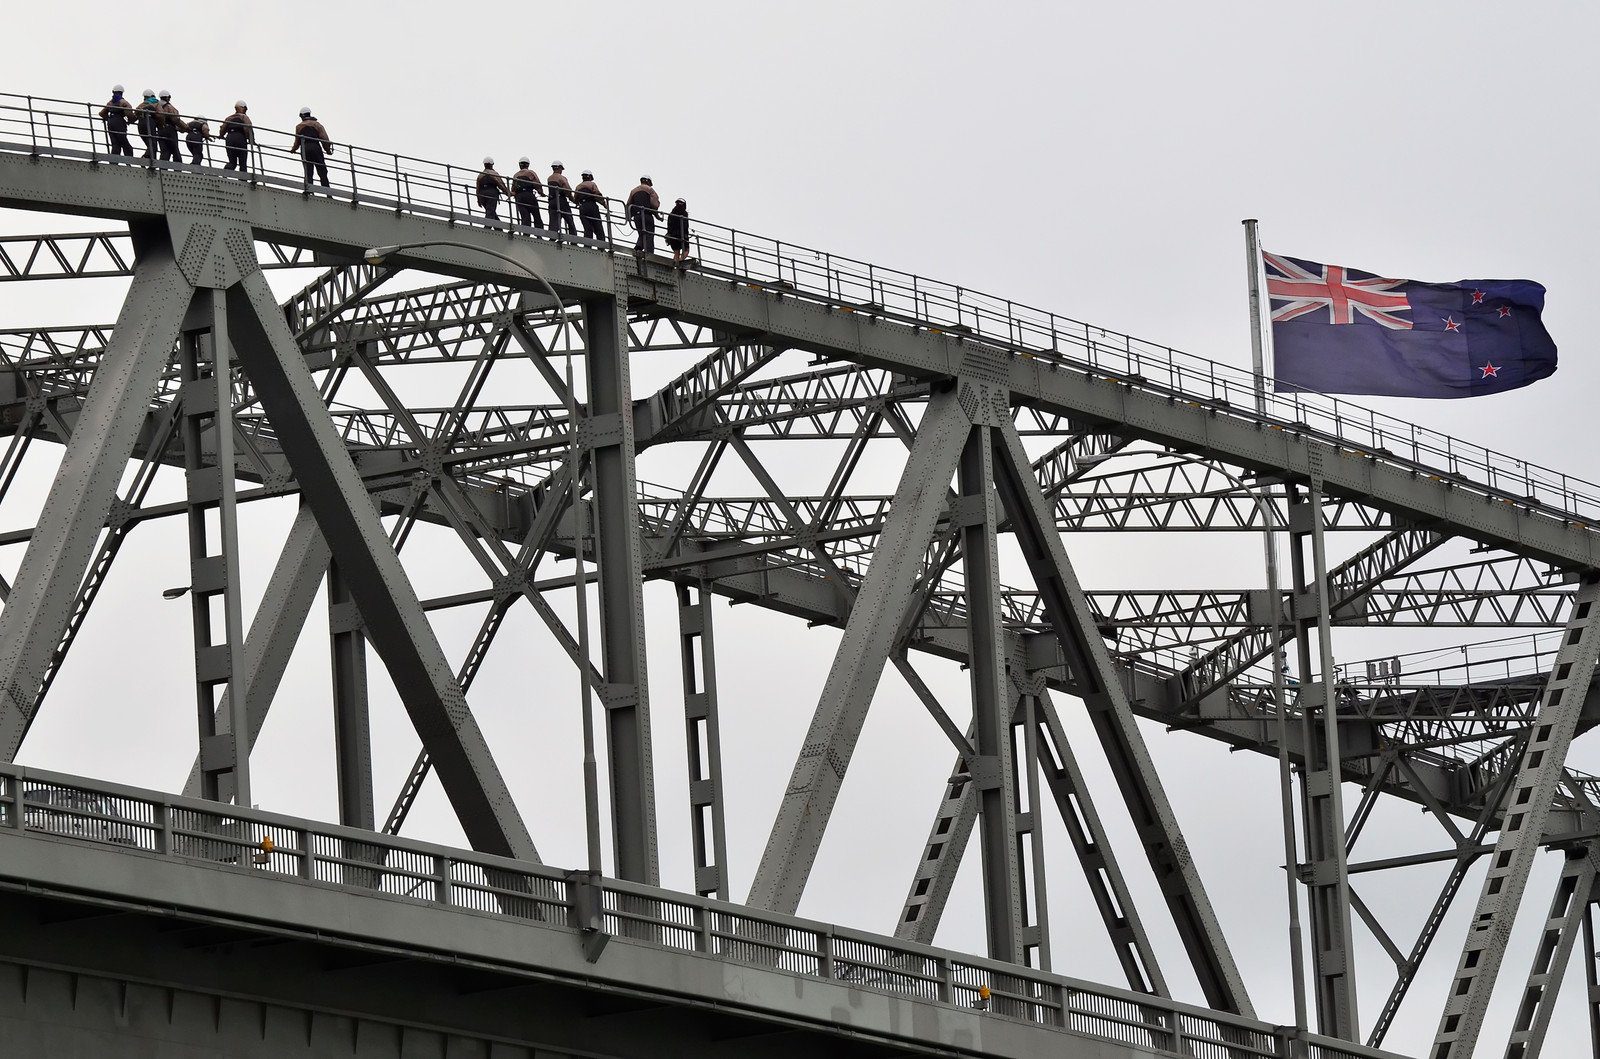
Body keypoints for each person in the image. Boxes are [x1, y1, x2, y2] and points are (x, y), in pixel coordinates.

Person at [290, 107, 333, 187]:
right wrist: (328, 150)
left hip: (305, 149)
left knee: (308, 171)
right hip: (316, 147)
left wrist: (293, 149)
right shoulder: (317, 124)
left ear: (302, 116)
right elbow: (324, 139)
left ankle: (309, 190)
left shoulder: (299, 126)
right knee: (322, 171)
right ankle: (328, 193)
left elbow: (297, 142)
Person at [627, 175, 661, 257]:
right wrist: (658, 216)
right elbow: (655, 205)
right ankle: (649, 255)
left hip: (637, 217)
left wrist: (629, 217)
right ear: (648, 181)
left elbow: (628, 204)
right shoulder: (650, 190)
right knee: (649, 235)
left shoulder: (633, 191)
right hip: (647, 216)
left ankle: (637, 250)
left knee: (641, 234)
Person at [98, 85, 135, 157]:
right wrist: (131, 120)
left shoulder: (110, 103)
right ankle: (129, 160)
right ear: (122, 93)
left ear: (113, 92)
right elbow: (129, 113)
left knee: (115, 144)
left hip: (110, 122)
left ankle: (114, 162)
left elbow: (101, 113)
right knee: (124, 142)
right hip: (119, 122)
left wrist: (107, 118)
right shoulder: (123, 102)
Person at [220, 101, 254, 173]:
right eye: (244, 109)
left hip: (229, 139)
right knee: (242, 162)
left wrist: (221, 135)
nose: (245, 111)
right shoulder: (244, 117)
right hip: (240, 138)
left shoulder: (229, 118)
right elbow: (248, 128)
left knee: (232, 162)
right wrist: (251, 140)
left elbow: (223, 129)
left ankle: (224, 175)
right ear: (241, 107)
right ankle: (243, 179)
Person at [510, 158, 543, 228]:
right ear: (528, 165)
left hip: (519, 197)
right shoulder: (531, 173)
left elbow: (513, 189)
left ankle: (526, 233)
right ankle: (539, 233)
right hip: (529, 195)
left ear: (519, 165)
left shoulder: (516, 175)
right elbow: (537, 184)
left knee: (524, 216)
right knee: (536, 215)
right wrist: (541, 192)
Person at [574, 169, 605, 241]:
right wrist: (604, 204)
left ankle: (587, 244)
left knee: (587, 227)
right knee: (598, 226)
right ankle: (601, 246)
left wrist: (577, 204)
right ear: (590, 177)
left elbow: (576, 199)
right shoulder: (592, 184)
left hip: (582, 207)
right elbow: (598, 195)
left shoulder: (578, 186)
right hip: (592, 206)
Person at [546, 161, 575, 235]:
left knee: (554, 220)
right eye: (561, 169)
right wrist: (574, 200)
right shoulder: (561, 178)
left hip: (552, 201)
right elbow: (568, 190)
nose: (561, 170)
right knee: (569, 220)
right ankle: (573, 238)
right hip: (561, 201)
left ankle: (552, 236)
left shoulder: (549, 178)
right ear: (559, 168)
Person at [155, 90, 185, 163]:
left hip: (160, 130)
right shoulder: (169, 107)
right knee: (175, 149)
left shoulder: (156, 106)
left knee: (164, 150)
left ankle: (162, 167)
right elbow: (175, 119)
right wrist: (185, 127)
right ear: (168, 97)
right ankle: (178, 167)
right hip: (170, 130)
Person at [134, 89, 161, 159]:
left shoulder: (141, 105)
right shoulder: (156, 103)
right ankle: (146, 159)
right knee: (153, 144)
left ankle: (149, 160)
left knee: (150, 145)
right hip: (149, 123)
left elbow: (135, 115)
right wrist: (161, 124)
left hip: (140, 124)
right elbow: (160, 115)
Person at [665, 198, 691, 265]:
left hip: (673, 235)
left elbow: (669, 225)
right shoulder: (684, 214)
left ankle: (675, 263)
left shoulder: (671, 213)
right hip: (682, 235)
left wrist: (669, 234)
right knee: (686, 250)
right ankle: (679, 262)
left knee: (676, 252)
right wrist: (686, 235)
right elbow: (685, 226)